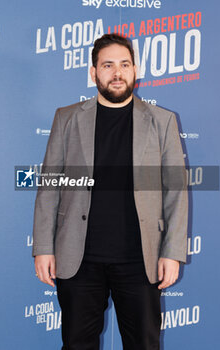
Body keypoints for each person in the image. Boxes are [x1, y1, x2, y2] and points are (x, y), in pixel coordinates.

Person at [32, 33, 188, 350]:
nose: (117, 73)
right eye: (107, 65)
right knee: (77, 344)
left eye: (124, 64)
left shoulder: (163, 121)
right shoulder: (67, 118)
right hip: (78, 258)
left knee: (144, 344)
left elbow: (176, 191)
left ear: (135, 70)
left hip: (139, 260)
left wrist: (171, 252)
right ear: (93, 72)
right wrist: (43, 247)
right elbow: (49, 185)